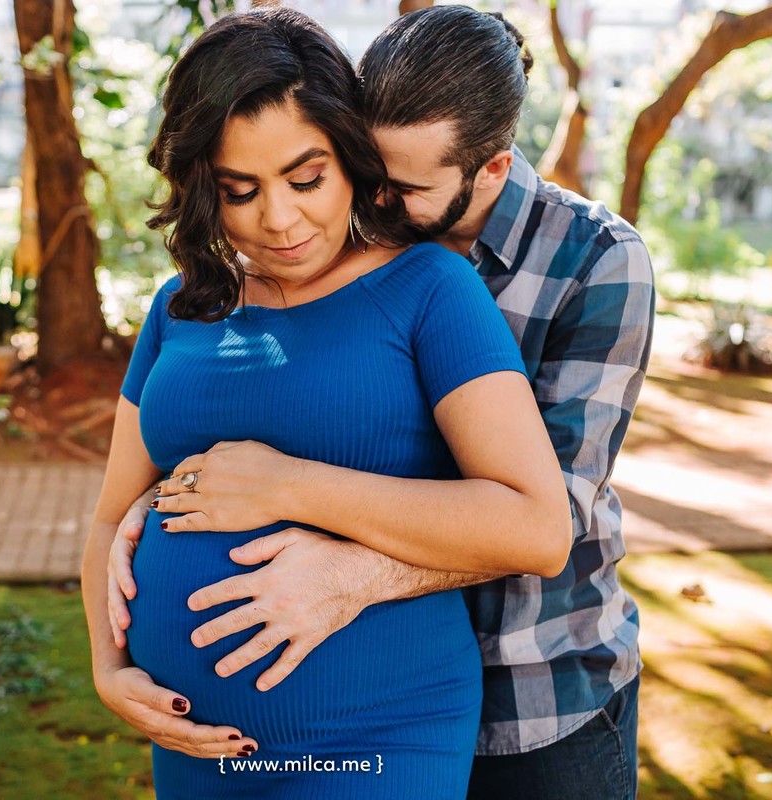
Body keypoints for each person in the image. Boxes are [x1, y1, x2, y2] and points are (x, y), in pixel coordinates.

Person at [107, 6, 655, 800]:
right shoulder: (240, 282)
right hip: (236, 742)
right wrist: (166, 511)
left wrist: (339, 562)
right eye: (360, 168)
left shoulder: (591, 263)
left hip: (537, 683)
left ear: (491, 169)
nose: (373, 205)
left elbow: (546, 521)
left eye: (394, 187)